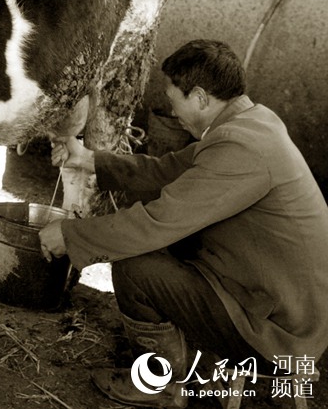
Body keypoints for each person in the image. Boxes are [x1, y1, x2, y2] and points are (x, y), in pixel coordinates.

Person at [39, 39, 328, 407]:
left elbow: (158, 222)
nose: (173, 113)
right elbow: (168, 172)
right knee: (163, 244)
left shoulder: (241, 148)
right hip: (274, 297)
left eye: (175, 100)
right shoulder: (252, 123)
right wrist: (90, 160)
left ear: (202, 98)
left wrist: (70, 234)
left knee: (136, 268)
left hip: (276, 332)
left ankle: (160, 385)